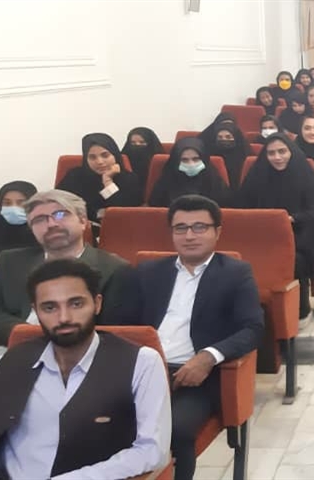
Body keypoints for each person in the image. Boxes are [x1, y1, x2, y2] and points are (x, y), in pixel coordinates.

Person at [0, 259, 171, 479]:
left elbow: (152, 450)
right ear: (35, 311)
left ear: (97, 303)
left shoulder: (141, 362)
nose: (64, 317)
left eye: (76, 304)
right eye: (49, 308)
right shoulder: (8, 363)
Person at [123, 195, 264, 480]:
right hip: (144, 370)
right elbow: (125, 324)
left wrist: (208, 357)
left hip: (197, 376)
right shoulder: (149, 272)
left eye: (199, 227)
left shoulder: (235, 273)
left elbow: (253, 328)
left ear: (217, 232)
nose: (189, 236)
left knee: (176, 428)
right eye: (181, 228)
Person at [0, 190, 133, 354]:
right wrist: (27, 334)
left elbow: (111, 331)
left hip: (79, 356)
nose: (51, 224)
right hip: (11, 349)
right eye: (40, 219)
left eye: (60, 214)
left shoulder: (114, 269)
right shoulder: (11, 261)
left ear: (83, 221)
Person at [236, 133, 314, 318]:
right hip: (263, 235)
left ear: (291, 152)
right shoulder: (257, 176)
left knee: (296, 260)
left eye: (282, 151)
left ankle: (300, 309)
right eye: (271, 153)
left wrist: (292, 219)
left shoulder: (308, 178)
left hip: (301, 235)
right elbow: (241, 208)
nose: (277, 157)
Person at [56, 133, 142, 223]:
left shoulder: (129, 179)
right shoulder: (74, 176)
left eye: (105, 155)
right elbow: (58, 206)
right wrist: (58, 221)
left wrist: (108, 182)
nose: (100, 162)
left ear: (115, 155)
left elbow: (123, 213)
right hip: (79, 227)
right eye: (92, 157)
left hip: (119, 228)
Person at [148, 138, 231, 207]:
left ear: (204, 159)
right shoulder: (165, 182)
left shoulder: (215, 182)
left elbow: (226, 210)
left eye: (196, 159)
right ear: (176, 161)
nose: (191, 164)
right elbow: (155, 210)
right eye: (184, 160)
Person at [208, 122, 251, 189]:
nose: (224, 140)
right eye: (220, 137)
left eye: (228, 137)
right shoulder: (210, 156)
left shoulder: (246, 157)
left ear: (236, 138)